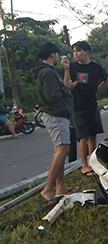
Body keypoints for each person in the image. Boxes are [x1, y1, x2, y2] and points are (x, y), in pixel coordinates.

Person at [31, 42, 77, 201]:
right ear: (52, 54)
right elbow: (53, 96)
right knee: (63, 150)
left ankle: (60, 186)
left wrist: (65, 78)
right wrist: (66, 89)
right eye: (56, 54)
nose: (57, 57)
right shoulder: (48, 73)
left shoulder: (47, 71)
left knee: (61, 150)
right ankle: (48, 188)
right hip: (55, 114)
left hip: (56, 114)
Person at [62, 41, 108, 177]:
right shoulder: (72, 67)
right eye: (74, 52)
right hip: (77, 106)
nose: (76, 54)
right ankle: (84, 165)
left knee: (92, 135)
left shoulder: (95, 67)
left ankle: (92, 161)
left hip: (91, 104)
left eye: (79, 51)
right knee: (82, 137)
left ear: (87, 52)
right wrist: (66, 69)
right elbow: (66, 85)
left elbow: (107, 80)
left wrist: (97, 90)